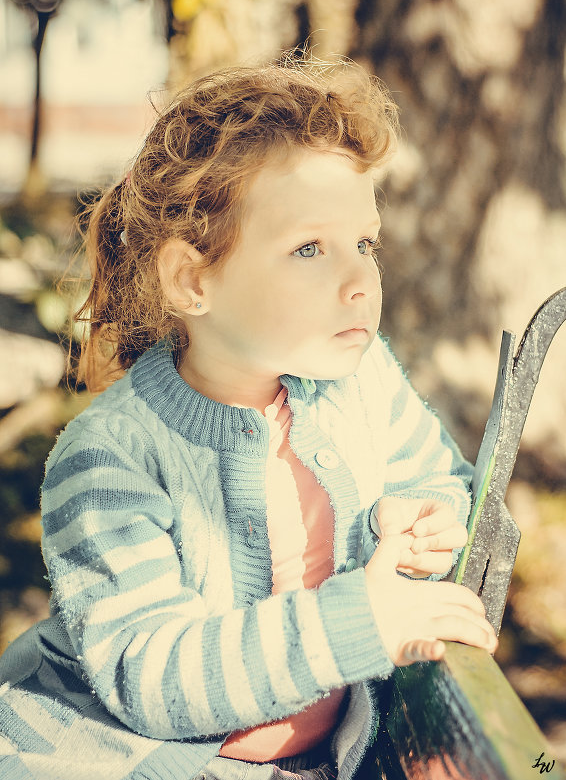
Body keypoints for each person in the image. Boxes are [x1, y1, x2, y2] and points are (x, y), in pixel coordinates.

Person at [0, 55, 497, 780]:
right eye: (308, 248)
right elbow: (152, 675)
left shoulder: (363, 381)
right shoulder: (108, 458)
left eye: (365, 243)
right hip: (131, 757)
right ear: (192, 279)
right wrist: (362, 619)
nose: (361, 281)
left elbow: (438, 477)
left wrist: (424, 517)